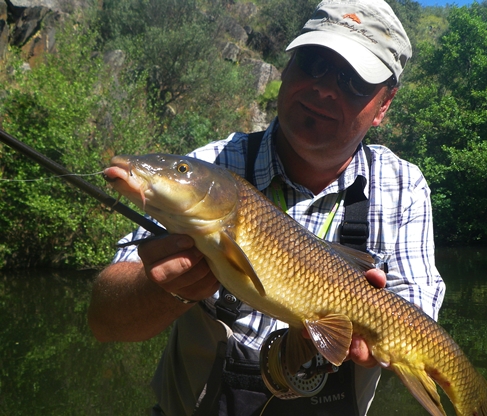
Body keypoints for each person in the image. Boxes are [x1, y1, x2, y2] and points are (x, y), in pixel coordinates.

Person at [88, 0, 445, 415]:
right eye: (313, 63)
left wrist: (372, 327)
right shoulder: (211, 167)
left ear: (383, 104)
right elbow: (104, 321)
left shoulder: (403, 187)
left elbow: (419, 317)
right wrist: (163, 287)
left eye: (353, 82)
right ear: (287, 67)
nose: (324, 88)